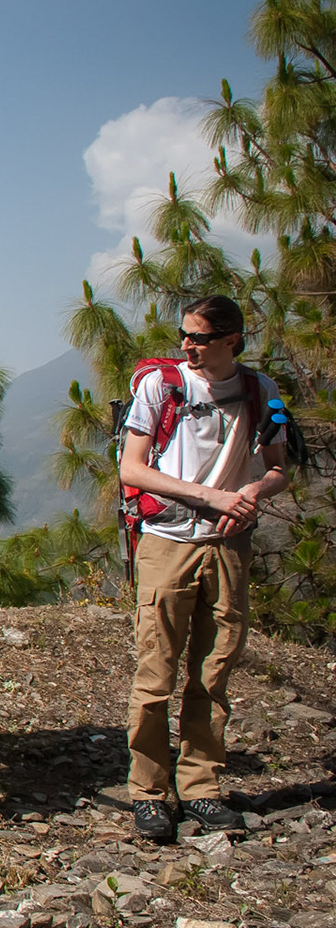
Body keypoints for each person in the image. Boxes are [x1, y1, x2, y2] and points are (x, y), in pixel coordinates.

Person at [118, 295, 288, 843]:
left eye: (199, 338)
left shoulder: (261, 393)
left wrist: (256, 490)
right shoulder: (160, 386)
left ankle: (202, 788)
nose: (187, 346)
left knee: (214, 672)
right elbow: (133, 468)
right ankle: (148, 792)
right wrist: (208, 497)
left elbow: (281, 467)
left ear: (232, 339)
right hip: (168, 540)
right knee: (156, 673)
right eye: (184, 335)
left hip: (229, 544)